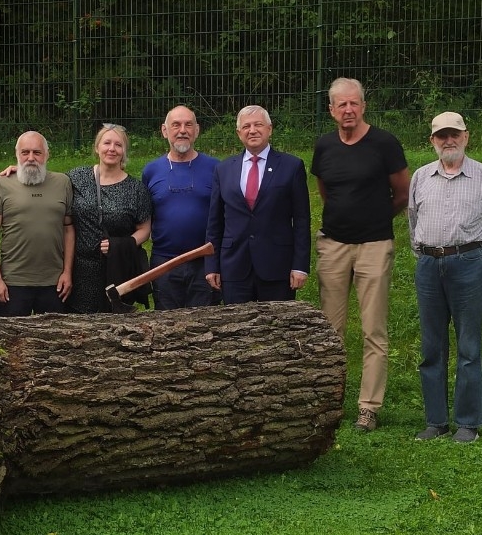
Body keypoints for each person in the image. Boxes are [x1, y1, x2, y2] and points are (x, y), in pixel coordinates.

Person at [311, 78, 410, 432]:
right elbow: (326, 192)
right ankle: (330, 402)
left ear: (363, 106)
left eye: (354, 104)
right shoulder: (324, 147)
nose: (348, 110)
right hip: (334, 246)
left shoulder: (384, 143)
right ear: (332, 110)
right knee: (330, 330)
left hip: (374, 245)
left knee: (373, 330)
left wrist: (375, 219)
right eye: (341, 105)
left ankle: (368, 407)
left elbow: (401, 192)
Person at [408, 112, 482, 444]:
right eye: (441, 135)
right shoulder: (420, 177)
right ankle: (435, 422)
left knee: (469, 346)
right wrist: (430, 258)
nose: (449, 140)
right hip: (429, 266)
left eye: (455, 134)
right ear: (432, 140)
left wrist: (471, 260)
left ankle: (468, 422)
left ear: (466, 137)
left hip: (470, 264)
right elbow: (413, 223)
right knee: (432, 346)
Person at [204, 105, 311, 304]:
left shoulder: (291, 166)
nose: (252, 130)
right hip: (234, 266)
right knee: (236, 328)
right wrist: (212, 265)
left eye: (258, 125)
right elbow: (215, 221)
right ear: (238, 133)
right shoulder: (224, 169)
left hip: (277, 265)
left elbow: (302, 219)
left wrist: (300, 266)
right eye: (246, 126)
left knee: (277, 328)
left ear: (269, 129)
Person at [0, 131, 74, 316]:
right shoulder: (1, 184)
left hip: (54, 282)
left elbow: (68, 230)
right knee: (13, 342)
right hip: (13, 282)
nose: (31, 158)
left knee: (54, 340)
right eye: (25, 153)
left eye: (37, 152)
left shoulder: (63, 182)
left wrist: (67, 272)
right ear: (17, 155)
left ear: (46, 155)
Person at [141, 105, 221, 309]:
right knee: (166, 326)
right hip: (164, 263)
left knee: (206, 324)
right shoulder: (151, 171)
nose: (182, 130)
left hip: (205, 262)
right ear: (164, 130)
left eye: (188, 125)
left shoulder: (216, 168)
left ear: (197, 130)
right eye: (175, 125)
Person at [67, 124, 152, 313]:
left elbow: (145, 229)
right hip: (80, 270)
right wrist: (21, 168)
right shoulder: (76, 178)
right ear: (97, 147)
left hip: (117, 270)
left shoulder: (136, 189)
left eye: (118, 145)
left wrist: (122, 244)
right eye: (106, 143)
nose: (112, 149)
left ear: (124, 152)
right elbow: (48, 184)